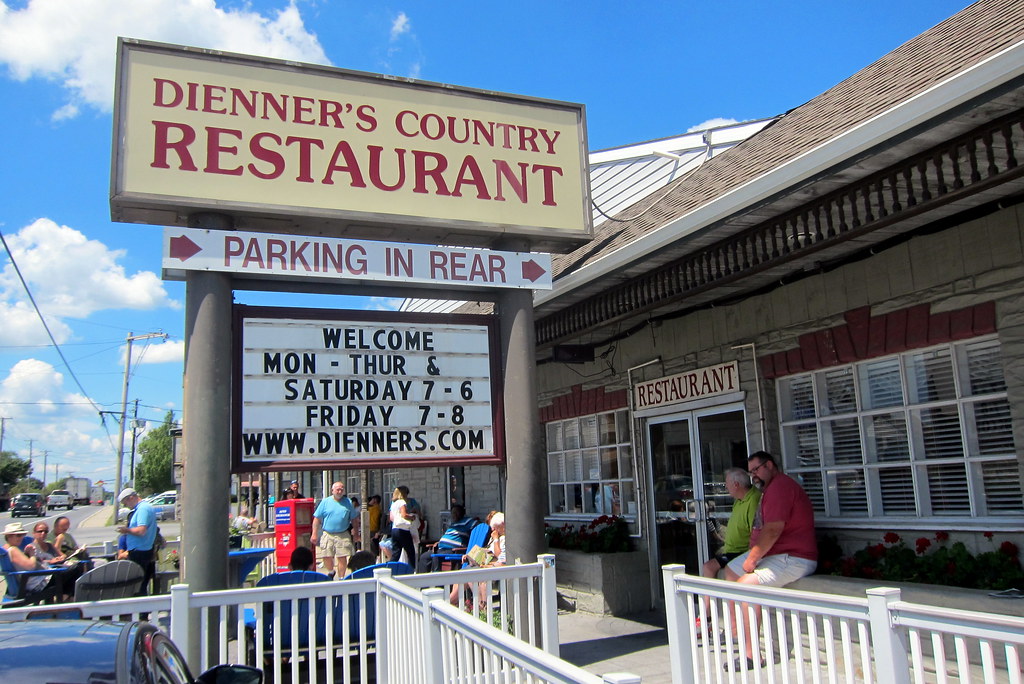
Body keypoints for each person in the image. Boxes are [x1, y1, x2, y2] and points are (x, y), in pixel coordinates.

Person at [723, 452, 817, 671]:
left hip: (793, 557)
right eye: (751, 472)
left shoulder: (781, 487)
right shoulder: (768, 489)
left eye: (757, 469)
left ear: (770, 465)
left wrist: (753, 559)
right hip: (774, 554)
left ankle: (751, 654)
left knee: (746, 584)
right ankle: (735, 630)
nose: (754, 475)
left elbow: (774, 529)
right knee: (730, 571)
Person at [702, 469, 761, 580]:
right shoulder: (738, 500)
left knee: (710, 567)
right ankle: (709, 598)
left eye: (727, 484)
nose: (726, 487)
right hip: (730, 550)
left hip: (742, 552)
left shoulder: (754, 500)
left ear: (736, 485)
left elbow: (756, 532)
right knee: (708, 567)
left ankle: (728, 598)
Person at [116, 487, 158, 595]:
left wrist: (127, 530)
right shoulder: (143, 508)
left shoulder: (143, 509)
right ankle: (142, 611)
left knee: (138, 585)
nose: (127, 506)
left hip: (140, 552)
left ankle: (141, 611)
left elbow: (141, 530)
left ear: (131, 498)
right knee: (139, 583)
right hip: (143, 550)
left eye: (126, 503)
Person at [2, 522, 61, 597]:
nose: (21, 538)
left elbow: (22, 564)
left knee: (67, 578)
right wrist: (32, 554)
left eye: (22, 535)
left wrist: (26, 554)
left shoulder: (8, 549)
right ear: (9, 536)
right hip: (37, 585)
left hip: (32, 583)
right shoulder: (13, 549)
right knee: (73, 571)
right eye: (18, 535)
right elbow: (31, 566)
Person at [311, 481, 355, 578]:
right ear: (332, 490)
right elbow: (316, 518)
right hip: (328, 533)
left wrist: (355, 532)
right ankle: (331, 571)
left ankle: (341, 578)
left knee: (342, 557)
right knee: (326, 556)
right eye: (337, 489)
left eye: (341, 489)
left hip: (343, 533)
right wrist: (314, 534)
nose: (339, 491)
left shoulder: (348, 502)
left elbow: (354, 518)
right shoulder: (325, 502)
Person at [417, 504, 477, 572]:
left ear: (462, 513)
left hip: (453, 550)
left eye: (457, 512)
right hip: (440, 549)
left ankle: (437, 580)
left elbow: (478, 524)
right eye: (453, 513)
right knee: (424, 557)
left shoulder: (467, 521)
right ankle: (423, 580)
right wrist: (439, 542)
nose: (454, 515)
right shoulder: (453, 525)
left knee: (436, 556)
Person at [388, 486, 417, 567]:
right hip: (403, 530)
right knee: (410, 552)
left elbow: (391, 517)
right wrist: (411, 517)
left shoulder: (393, 504)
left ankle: (390, 568)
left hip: (394, 529)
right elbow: (404, 514)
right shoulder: (402, 502)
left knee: (396, 553)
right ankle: (411, 570)